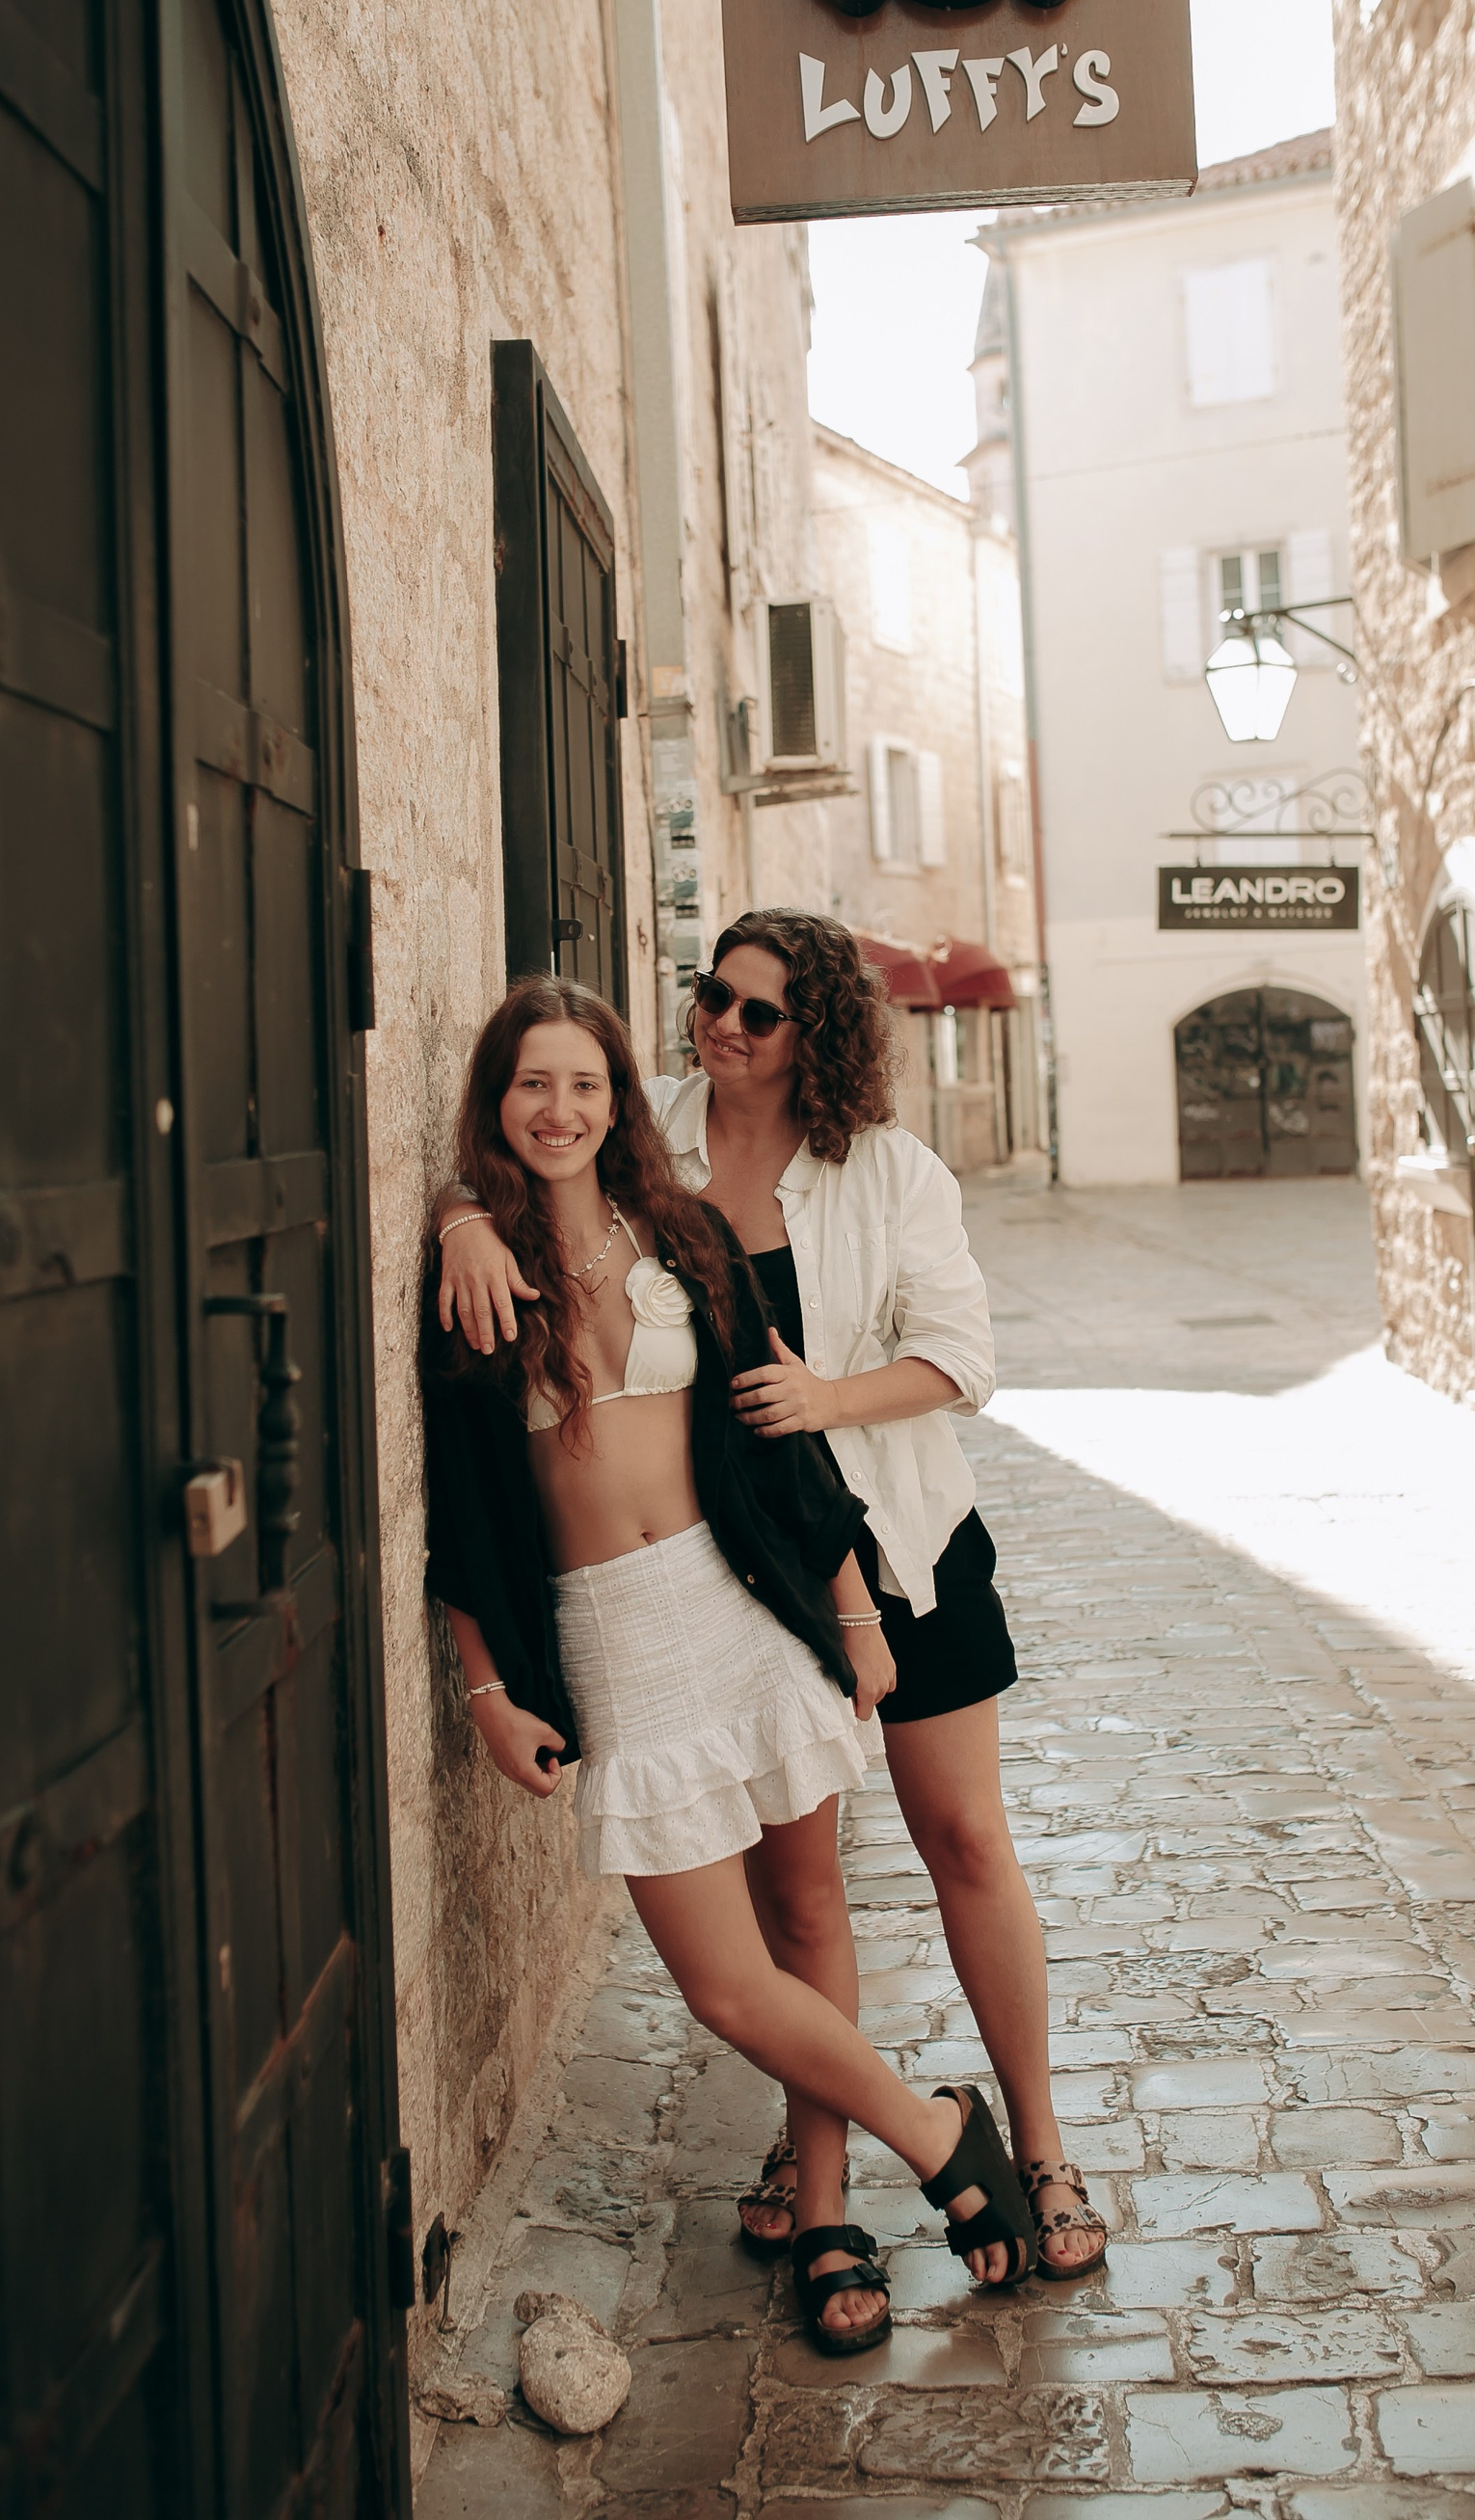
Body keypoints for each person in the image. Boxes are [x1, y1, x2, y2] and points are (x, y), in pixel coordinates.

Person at [436, 914, 1107, 2286]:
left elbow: (963, 1361)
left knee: (962, 1838)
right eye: (712, 997)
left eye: (758, 1012)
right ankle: (824, 2168)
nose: (722, 1025)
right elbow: (527, 1129)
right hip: (742, 1565)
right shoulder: (653, 1135)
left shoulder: (888, 1172)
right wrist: (456, 1218)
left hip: (891, 1543)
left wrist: (824, 1405)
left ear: (817, 1035)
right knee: (791, 1900)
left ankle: (1034, 2145)